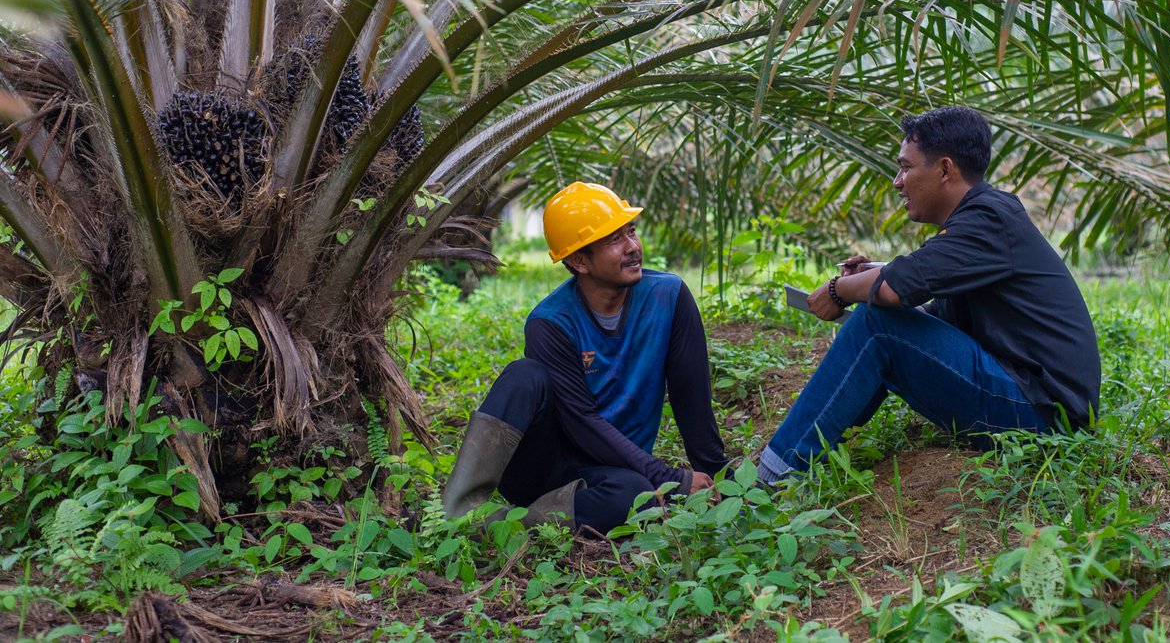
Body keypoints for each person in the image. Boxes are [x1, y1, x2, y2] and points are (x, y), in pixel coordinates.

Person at [758, 106, 1100, 485]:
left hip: (1044, 415)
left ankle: (772, 479)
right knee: (880, 321)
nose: (896, 182)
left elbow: (893, 290)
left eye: (906, 167)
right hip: (1030, 400)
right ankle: (817, 448)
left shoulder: (988, 219)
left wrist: (840, 290)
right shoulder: (980, 221)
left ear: (944, 169)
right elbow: (929, 315)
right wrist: (871, 278)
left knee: (877, 323)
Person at [442, 181, 728, 534]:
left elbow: (692, 399)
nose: (633, 247)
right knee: (524, 375)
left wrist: (723, 483)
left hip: (614, 472)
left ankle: (516, 523)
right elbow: (582, 420)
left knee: (636, 495)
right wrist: (667, 477)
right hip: (544, 469)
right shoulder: (550, 323)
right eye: (614, 240)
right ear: (579, 261)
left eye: (631, 232)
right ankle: (456, 515)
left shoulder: (668, 298)